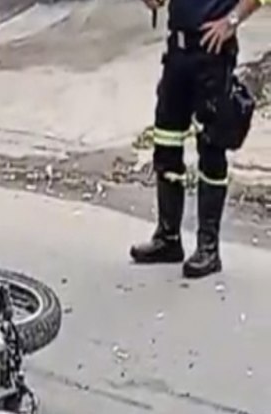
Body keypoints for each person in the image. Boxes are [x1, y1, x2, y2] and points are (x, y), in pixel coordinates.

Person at [130, 0, 267, 278]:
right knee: (166, 139)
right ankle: (168, 238)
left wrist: (231, 21)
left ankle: (208, 247)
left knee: (212, 145)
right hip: (178, 50)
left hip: (213, 54)